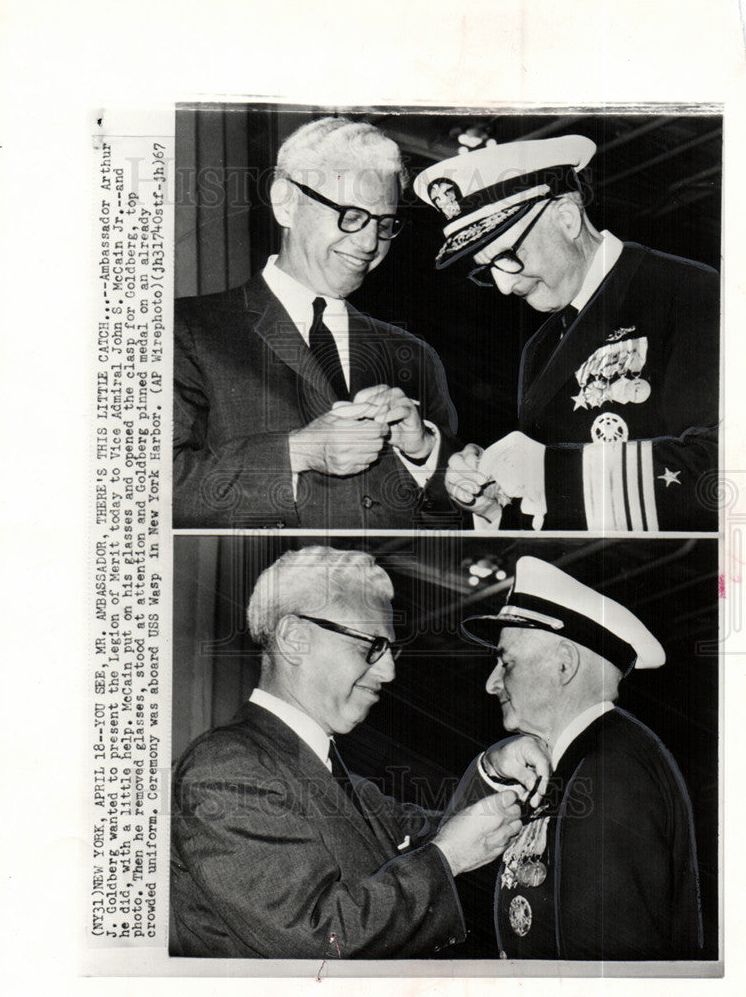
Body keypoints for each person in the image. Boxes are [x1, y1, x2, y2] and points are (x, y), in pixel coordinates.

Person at [170, 546, 550, 959]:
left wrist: (492, 771)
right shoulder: (227, 771)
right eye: (370, 646)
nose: (389, 671)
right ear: (295, 639)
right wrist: (448, 858)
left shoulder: (323, 770)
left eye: (391, 650)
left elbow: (434, 830)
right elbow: (317, 937)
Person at [414, 135, 719, 531]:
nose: (505, 287)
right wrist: (497, 501)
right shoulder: (539, 349)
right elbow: (556, 515)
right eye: (486, 268)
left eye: (507, 256)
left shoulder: (686, 291)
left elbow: (719, 470)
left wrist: (548, 474)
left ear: (567, 218)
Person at [174, 116, 463, 528]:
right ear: (286, 202)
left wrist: (425, 454)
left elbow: (451, 524)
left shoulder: (416, 356)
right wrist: (298, 452)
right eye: (350, 215)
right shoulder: (188, 330)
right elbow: (152, 490)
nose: (368, 244)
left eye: (383, 224)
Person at [458, 555, 703, 960]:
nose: (491, 683)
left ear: (565, 664)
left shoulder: (611, 770)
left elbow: (608, 966)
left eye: (506, 661)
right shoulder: (581, 761)